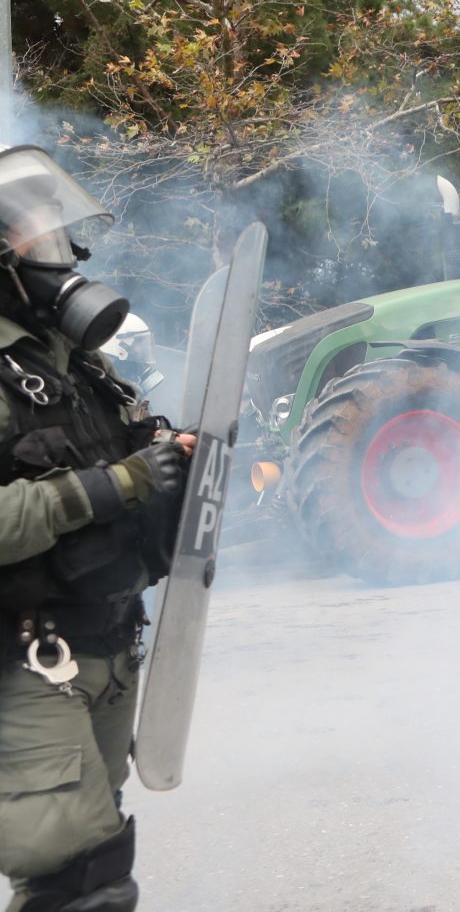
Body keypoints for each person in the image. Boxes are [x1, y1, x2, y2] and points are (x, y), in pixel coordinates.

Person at [0, 146, 192, 911]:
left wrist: (171, 464)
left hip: (107, 645)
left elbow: (133, 473)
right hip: (25, 661)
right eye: (33, 240)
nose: (60, 257)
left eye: (58, 236)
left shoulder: (79, 366)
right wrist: (120, 483)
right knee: (75, 881)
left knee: (97, 862)